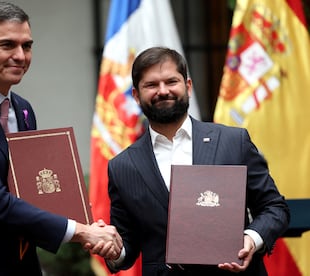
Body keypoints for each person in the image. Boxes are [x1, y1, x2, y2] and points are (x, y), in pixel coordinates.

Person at [0, 2, 121, 276]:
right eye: (7, 45)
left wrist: (84, 223)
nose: (20, 55)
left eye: (26, 46)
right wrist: (82, 232)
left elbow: (33, 190)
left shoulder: (23, 109)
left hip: (21, 263)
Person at [104, 47, 290, 275]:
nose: (163, 91)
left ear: (188, 86)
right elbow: (126, 245)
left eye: (171, 81)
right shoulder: (122, 166)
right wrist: (112, 249)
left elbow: (274, 208)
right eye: (151, 85)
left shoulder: (233, 141)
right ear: (135, 95)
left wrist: (250, 239)